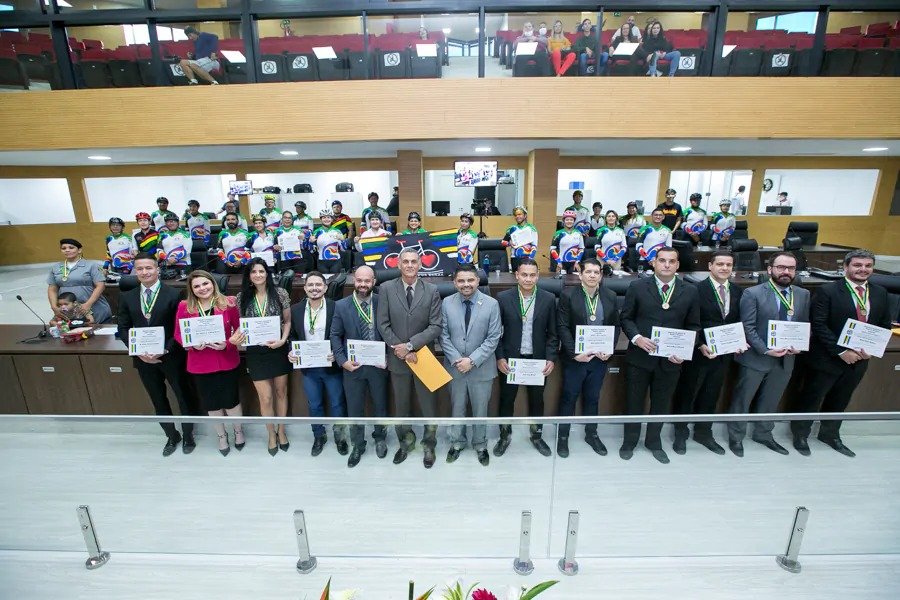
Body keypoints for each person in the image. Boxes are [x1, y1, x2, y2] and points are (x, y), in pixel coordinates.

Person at [790, 249, 891, 457]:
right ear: (846, 267)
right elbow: (818, 325)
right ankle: (800, 434)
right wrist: (841, 351)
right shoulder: (828, 291)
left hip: (859, 359)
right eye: (857, 265)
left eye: (867, 266)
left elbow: (883, 325)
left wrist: (871, 349)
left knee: (841, 398)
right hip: (827, 358)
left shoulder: (880, 292)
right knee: (812, 397)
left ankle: (830, 434)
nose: (863, 270)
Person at [620, 247, 701, 464]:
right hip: (640, 356)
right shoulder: (637, 287)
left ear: (677, 265)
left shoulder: (690, 291)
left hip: (670, 361)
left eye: (671, 261)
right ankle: (630, 441)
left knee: (661, 403)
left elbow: (693, 326)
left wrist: (684, 351)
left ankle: (653, 442)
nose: (666, 265)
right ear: (653, 263)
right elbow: (626, 318)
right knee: (634, 402)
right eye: (662, 260)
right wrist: (637, 338)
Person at [727, 252, 810, 457]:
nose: (786, 272)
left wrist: (800, 344)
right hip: (757, 357)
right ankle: (736, 437)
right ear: (770, 269)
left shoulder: (802, 294)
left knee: (771, 400)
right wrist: (765, 349)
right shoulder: (752, 293)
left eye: (791, 268)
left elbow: (803, 325)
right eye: (781, 267)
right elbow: (748, 328)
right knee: (743, 400)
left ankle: (763, 434)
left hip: (786, 358)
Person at [117, 253, 198, 456]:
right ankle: (171, 436)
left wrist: (167, 348)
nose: (145, 272)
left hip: (171, 356)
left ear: (157, 269)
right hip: (143, 359)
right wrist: (137, 351)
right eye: (140, 269)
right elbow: (124, 327)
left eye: (149, 268)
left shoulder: (173, 294)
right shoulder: (128, 296)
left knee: (183, 396)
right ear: (135, 271)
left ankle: (188, 434)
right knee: (158, 399)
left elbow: (180, 327)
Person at [671, 250, 745, 455]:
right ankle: (681, 432)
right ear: (710, 266)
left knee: (711, 394)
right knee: (688, 393)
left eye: (728, 265)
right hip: (698, 352)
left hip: (724, 354)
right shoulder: (695, 290)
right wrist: (700, 344)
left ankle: (704, 432)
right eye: (720, 264)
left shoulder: (738, 291)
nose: (724, 268)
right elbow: (690, 321)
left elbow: (738, 322)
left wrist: (739, 341)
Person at [376, 247, 443, 468]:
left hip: (424, 356)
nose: (410, 265)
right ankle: (405, 442)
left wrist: (411, 346)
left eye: (414, 261)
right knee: (401, 405)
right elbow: (383, 324)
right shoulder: (386, 289)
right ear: (398, 264)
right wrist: (400, 348)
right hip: (398, 358)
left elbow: (436, 326)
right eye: (406, 261)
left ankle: (429, 444)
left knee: (428, 405)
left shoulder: (432, 290)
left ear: (420, 264)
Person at [174, 270, 243, 457]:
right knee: (211, 404)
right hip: (200, 362)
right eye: (196, 286)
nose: (202, 288)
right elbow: (179, 334)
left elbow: (239, 328)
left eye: (205, 284)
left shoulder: (228, 303)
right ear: (191, 289)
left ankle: (238, 431)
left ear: (213, 283)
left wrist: (227, 343)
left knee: (231, 401)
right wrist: (190, 343)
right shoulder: (184, 306)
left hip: (226, 359)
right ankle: (221, 436)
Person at [493, 258, 557, 456]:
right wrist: (500, 357)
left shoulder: (548, 299)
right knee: (506, 400)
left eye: (532, 275)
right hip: (511, 360)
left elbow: (553, 334)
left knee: (537, 401)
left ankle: (536, 436)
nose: (528, 279)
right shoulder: (503, 298)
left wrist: (551, 358)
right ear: (517, 275)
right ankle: (505, 436)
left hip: (537, 361)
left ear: (538, 276)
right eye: (524, 275)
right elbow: (496, 333)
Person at [556, 258, 619, 458]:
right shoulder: (568, 295)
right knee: (569, 397)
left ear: (601, 275)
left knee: (593, 398)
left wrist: (610, 348)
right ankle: (563, 436)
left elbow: (615, 326)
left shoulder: (610, 295)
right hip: (576, 358)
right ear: (580, 274)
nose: (592, 275)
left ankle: (591, 434)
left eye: (596, 272)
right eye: (588, 272)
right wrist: (575, 353)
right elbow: (563, 327)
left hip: (599, 359)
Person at [230, 258, 292, 456]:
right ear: (248, 276)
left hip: (278, 349)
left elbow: (288, 321)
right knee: (265, 397)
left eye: (261, 271)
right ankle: (270, 434)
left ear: (267, 274)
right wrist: (236, 336)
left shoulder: (280, 293)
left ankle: (281, 431)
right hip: (256, 352)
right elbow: (241, 324)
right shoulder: (242, 297)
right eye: (254, 272)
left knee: (281, 393)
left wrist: (283, 340)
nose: (258, 275)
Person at [441, 263, 502, 467]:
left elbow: (493, 338)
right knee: (457, 408)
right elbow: (443, 335)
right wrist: (457, 359)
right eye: (461, 280)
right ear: (454, 282)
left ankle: (480, 445)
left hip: (481, 368)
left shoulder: (492, 304)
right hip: (455, 367)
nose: (466, 284)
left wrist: (472, 360)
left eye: (470, 280)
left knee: (480, 410)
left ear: (477, 281)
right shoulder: (446, 303)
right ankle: (457, 443)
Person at [330, 265, 389, 468]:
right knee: (354, 409)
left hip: (379, 366)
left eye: (367, 281)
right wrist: (342, 360)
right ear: (354, 281)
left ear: (374, 282)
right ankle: (358, 444)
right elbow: (335, 335)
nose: (363, 284)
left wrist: (388, 356)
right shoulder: (341, 305)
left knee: (380, 405)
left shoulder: (383, 302)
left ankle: (380, 438)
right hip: (352, 367)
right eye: (359, 280)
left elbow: (391, 331)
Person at [289, 271, 349, 457]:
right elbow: (293, 336)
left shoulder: (335, 307)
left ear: (325, 287)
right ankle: (319, 436)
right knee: (314, 404)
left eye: (318, 285)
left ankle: (340, 437)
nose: (314, 288)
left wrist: (338, 354)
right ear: (305, 288)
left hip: (331, 365)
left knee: (338, 403)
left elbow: (344, 334)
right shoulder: (296, 309)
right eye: (310, 285)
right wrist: (291, 351)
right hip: (308, 368)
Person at [47, 238, 112, 324]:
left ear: (79, 250)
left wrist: (88, 304)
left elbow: (100, 286)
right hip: (68, 311)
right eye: (64, 248)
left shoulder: (91, 265)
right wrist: (54, 307)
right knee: (70, 334)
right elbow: (52, 289)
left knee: (94, 333)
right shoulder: (56, 267)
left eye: (71, 247)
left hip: (93, 308)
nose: (67, 250)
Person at [501, 206, 538, 271]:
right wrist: (509, 243)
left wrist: (530, 258)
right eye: (515, 215)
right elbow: (503, 242)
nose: (517, 216)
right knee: (514, 278)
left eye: (519, 214)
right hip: (514, 258)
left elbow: (534, 246)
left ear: (525, 215)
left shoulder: (531, 228)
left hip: (528, 258)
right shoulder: (511, 228)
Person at [158, 212, 192, 277]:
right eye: (168, 222)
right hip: (168, 265)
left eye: (173, 221)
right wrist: (167, 258)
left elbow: (187, 250)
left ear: (177, 222)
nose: (171, 223)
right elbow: (159, 249)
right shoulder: (162, 235)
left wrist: (175, 258)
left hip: (184, 265)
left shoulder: (186, 234)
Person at [550, 210, 584, 275]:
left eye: (571, 220)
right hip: (561, 263)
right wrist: (558, 262)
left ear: (574, 221)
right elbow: (552, 249)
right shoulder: (558, 233)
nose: (569, 221)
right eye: (567, 219)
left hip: (574, 264)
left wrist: (577, 261)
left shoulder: (578, 233)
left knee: (574, 281)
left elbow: (581, 248)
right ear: (564, 221)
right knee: (561, 282)